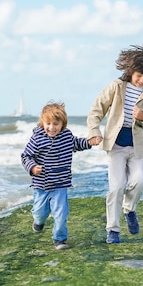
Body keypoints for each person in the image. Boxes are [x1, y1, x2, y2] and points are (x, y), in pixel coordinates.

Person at [87, 42, 143, 244]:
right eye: (139, 76)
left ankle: (129, 209)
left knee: (139, 182)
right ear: (130, 71)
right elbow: (96, 110)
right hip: (116, 146)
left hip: (138, 147)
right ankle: (113, 230)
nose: (142, 81)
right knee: (116, 187)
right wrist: (95, 131)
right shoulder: (116, 87)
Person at [21, 101, 97, 250]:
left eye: (56, 124)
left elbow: (77, 144)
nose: (51, 127)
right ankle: (39, 221)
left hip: (61, 183)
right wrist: (32, 167)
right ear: (42, 122)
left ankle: (60, 239)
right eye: (48, 123)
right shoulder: (37, 139)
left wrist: (90, 142)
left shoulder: (67, 136)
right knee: (39, 212)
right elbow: (26, 156)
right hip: (41, 184)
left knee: (61, 213)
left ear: (63, 124)